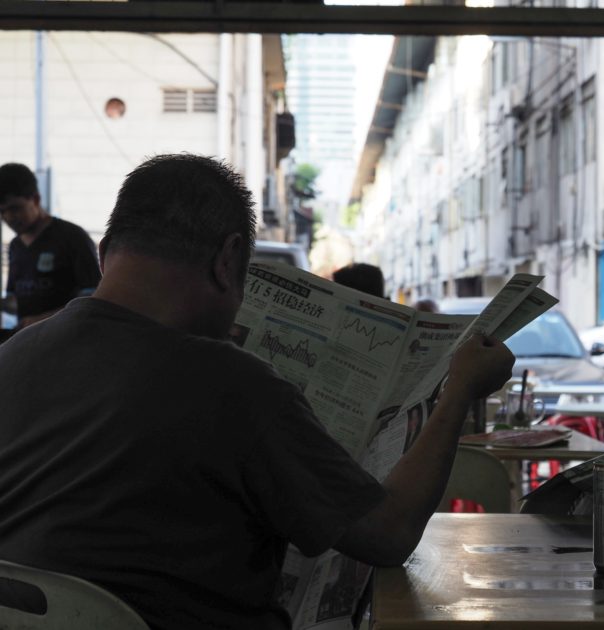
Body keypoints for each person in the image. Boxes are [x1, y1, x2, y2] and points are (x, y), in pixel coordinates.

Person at [0, 154, 514, 630]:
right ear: (229, 260)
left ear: (105, 252)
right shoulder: (234, 385)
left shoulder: (14, 357)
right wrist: (458, 388)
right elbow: (390, 534)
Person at [0, 162, 101, 329]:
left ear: (36, 199)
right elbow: (16, 303)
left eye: (15, 208)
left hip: (68, 342)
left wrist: (45, 319)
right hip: (31, 344)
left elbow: (94, 298)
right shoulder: (15, 247)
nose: (9, 217)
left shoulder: (72, 237)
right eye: (2, 212)